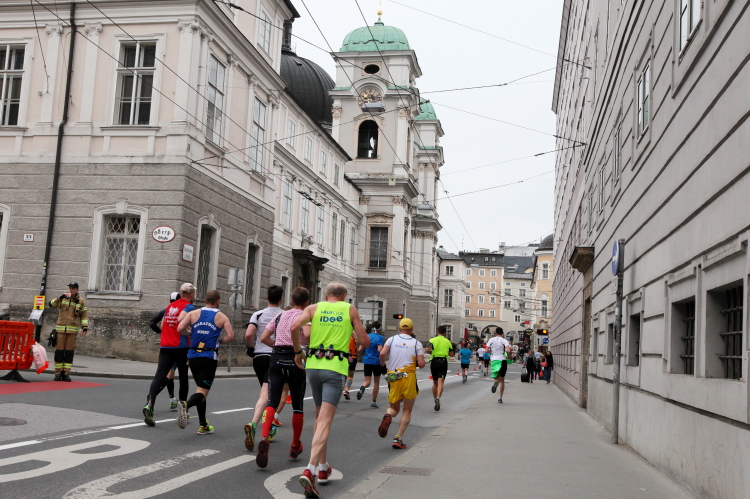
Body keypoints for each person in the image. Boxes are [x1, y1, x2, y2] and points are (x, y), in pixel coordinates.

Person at [289, 282, 369, 498]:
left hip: (313, 366)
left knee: (319, 418)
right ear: (344, 296)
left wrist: (297, 352)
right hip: (334, 369)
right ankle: (310, 469)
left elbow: (294, 327)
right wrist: (355, 335)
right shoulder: (349, 309)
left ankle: (323, 467)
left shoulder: (313, 308)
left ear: (326, 295)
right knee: (325, 420)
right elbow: (365, 341)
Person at [255, 287, 311, 468]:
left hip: (276, 359)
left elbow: (264, 337)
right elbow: (307, 335)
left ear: (292, 300)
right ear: (307, 302)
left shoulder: (280, 316)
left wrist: (278, 346)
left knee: (271, 401)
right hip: (296, 360)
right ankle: (295, 445)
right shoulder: (305, 316)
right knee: (297, 406)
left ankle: (264, 437)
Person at [176, 290, 234, 434]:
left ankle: (203, 425)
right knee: (202, 391)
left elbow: (180, 328)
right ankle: (186, 405)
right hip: (208, 356)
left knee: (200, 390)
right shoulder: (222, 317)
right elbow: (231, 336)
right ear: (218, 302)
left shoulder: (193, 313)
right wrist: (220, 341)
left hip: (193, 355)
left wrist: (191, 333)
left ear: (205, 300)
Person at [142, 283, 195, 426]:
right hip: (181, 346)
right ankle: (183, 412)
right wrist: (190, 333)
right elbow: (182, 322)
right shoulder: (189, 307)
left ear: (180, 293)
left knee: (159, 376)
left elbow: (162, 324)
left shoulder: (169, 307)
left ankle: (150, 404)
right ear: (191, 295)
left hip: (165, 345)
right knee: (183, 377)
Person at [243, 285, 284, 451]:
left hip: (259, 357)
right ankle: (254, 424)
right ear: (281, 299)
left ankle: (270, 426)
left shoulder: (257, 314)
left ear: (267, 298)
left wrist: (250, 348)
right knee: (267, 394)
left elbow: (248, 334)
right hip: (275, 356)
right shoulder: (283, 315)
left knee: (267, 393)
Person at [377, 318, 425, 450]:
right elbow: (421, 364)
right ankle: (397, 438)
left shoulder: (391, 340)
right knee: (407, 410)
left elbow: (382, 353)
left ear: (399, 329)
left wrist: (383, 365)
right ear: (412, 329)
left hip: (393, 376)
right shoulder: (417, 343)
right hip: (408, 377)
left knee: (394, 408)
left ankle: (388, 414)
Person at [49, 282, 89, 382]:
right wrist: (60, 297)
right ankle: (58, 373)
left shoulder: (80, 301)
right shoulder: (63, 299)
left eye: (73, 288)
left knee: (69, 352)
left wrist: (84, 328)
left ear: (77, 290)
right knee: (59, 352)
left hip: (72, 331)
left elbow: (84, 315)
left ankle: (66, 373)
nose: (71, 290)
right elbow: (51, 304)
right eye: (70, 288)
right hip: (61, 330)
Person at [147, 291, 180, 410]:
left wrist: (160, 332)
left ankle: (171, 398)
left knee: (166, 374)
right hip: (178, 347)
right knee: (169, 374)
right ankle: (151, 399)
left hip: (165, 346)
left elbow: (151, 323)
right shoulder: (183, 312)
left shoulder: (164, 312)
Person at [355, 321, 385, 408]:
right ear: (379, 329)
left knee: (367, 381)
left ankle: (363, 387)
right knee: (376, 382)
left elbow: (360, 350)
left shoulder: (367, 336)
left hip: (367, 361)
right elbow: (379, 350)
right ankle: (373, 401)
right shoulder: (380, 338)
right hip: (376, 362)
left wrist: (358, 345)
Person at [425, 325, 453, 411]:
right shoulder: (447, 341)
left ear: (437, 331)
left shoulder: (432, 340)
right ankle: (438, 397)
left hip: (434, 361)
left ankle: (435, 399)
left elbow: (427, 350)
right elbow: (451, 354)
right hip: (443, 361)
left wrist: (432, 352)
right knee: (441, 382)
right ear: (445, 333)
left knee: (435, 382)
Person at [487, 328, 510, 403]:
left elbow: (486, 350)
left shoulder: (491, 340)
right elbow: (509, 350)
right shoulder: (504, 340)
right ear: (502, 333)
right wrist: (509, 355)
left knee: (496, 377)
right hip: (502, 360)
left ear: (495, 333)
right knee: (502, 380)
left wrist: (491, 350)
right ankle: (500, 398)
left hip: (494, 360)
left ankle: (496, 382)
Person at [342, 333, 358, 401]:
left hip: (344, 357)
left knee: (342, 375)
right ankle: (347, 390)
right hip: (352, 357)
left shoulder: (343, 337)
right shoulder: (353, 338)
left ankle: (339, 391)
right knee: (350, 376)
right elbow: (357, 345)